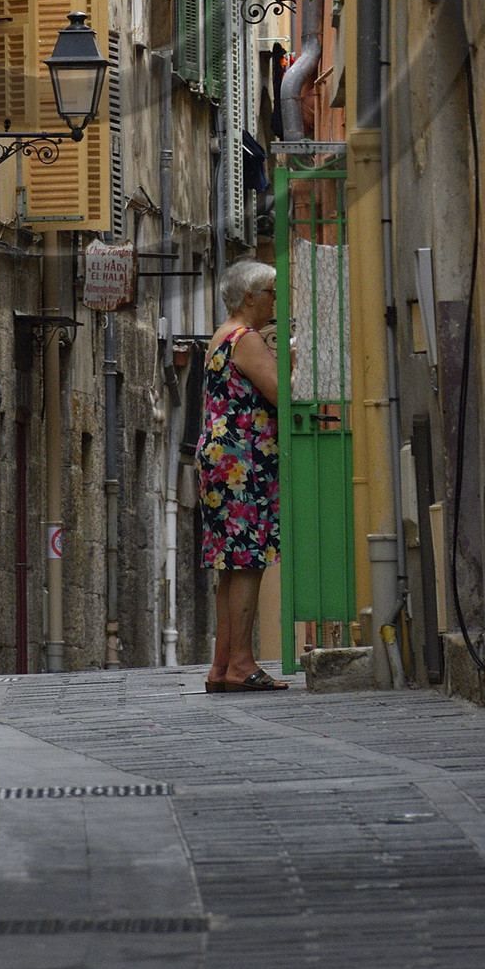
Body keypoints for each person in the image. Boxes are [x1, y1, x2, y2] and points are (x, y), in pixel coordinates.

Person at [197, 257, 288, 691]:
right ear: (250, 297)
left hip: (222, 457)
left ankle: (221, 665)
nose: (277, 300)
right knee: (248, 561)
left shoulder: (221, 335)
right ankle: (241, 662)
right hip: (243, 461)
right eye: (272, 292)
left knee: (230, 565)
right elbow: (279, 393)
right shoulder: (246, 339)